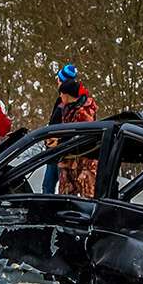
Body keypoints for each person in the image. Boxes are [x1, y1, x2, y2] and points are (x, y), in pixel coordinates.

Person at [42, 63, 87, 194]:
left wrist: (59, 141)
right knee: (48, 185)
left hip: (65, 152)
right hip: (54, 151)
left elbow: (75, 130)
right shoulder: (61, 100)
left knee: (65, 189)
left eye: (58, 79)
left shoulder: (76, 104)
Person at [56, 78, 99, 197]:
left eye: (61, 94)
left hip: (84, 163)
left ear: (67, 94)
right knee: (65, 198)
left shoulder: (84, 113)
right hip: (69, 161)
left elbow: (84, 138)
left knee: (88, 198)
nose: (60, 96)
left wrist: (61, 142)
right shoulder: (67, 108)